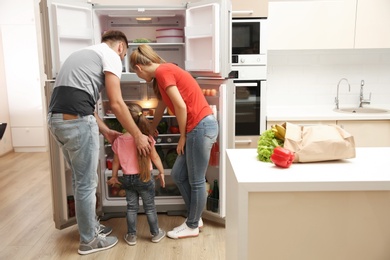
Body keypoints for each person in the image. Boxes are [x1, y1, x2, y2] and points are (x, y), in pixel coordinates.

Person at [47, 30, 151, 255]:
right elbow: (116, 103)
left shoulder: (83, 54)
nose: (121, 62)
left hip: (57, 121)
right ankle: (89, 241)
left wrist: (105, 131)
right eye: (123, 58)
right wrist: (138, 135)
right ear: (121, 47)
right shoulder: (111, 55)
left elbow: (83, 102)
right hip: (76, 123)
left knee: (78, 179)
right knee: (86, 183)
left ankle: (90, 227)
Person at [129, 44, 219, 239]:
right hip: (198, 127)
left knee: (196, 181)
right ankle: (196, 218)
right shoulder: (162, 74)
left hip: (199, 127)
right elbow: (163, 103)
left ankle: (192, 224)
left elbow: (180, 106)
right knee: (178, 174)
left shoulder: (164, 71)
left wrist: (183, 136)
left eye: (137, 75)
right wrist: (153, 126)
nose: (140, 78)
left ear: (138, 67)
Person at [107, 103, 166, 245]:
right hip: (145, 178)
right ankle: (156, 233)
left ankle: (132, 236)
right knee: (150, 207)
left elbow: (116, 161)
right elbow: (155, 157)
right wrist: (162, 172)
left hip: (128, 179)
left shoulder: (119, 140)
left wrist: (114, 176)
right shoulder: (147, 138)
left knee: (131, 208)